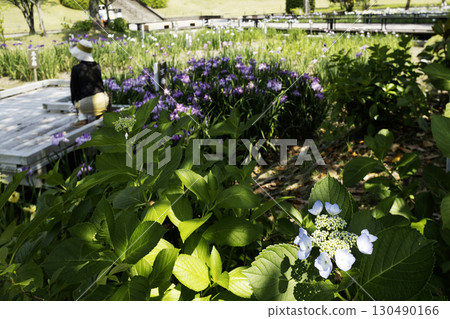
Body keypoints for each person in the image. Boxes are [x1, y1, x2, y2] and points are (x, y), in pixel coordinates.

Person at [69, 39, 110, 127]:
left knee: (79, 98)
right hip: (103, 101)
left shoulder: (76, 69)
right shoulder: (97, 66)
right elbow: (101, 85)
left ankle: (82, 119)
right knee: (96, 94)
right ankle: (100, 114)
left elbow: (74, 89)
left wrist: (74, 103)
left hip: (86, 105)